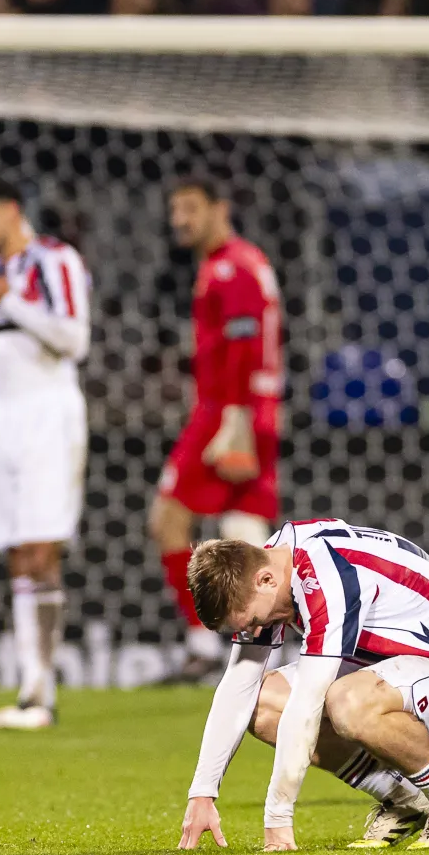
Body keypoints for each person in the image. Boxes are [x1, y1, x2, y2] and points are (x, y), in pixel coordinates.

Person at [179, 518, 429, 851]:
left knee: (347, 701)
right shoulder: (271, 567)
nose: (254, 630)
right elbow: (238, 687)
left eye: (253, 621)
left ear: (266, 580)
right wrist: (202, 794)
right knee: (263, 704)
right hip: (392, 666)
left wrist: (278, 819)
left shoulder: (327, 576)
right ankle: (404, 799)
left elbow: (307, 703)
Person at [0, 174, 90, 729]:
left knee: (40, 546)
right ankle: (30, 689)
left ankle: (42, 692)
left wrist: (6, 297)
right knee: (14, 548)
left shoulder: (55, 260)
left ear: (11, 210)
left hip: (46, 410)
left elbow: (75, 341)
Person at [149, 178, 282, 682]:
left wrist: (235, 418)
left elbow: (245, 342)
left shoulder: (231, 267)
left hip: (228, 409)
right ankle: (273, 649)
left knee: (167, 519)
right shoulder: (239, 262)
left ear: (220, 209)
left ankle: (201, 644)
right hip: (254, 408)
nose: (180, 219)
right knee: (246, 530)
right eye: (175, 209)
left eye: (190, 208)